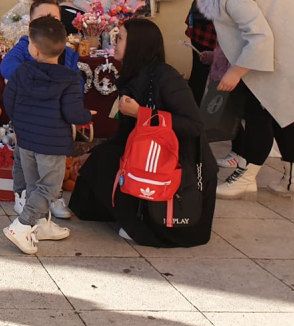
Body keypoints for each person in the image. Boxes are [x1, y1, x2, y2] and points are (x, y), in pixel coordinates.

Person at [183, 0, 294, 204]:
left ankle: (245, 178)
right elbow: (238, 38)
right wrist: (218, 59)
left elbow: (259, 38)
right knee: (282, 115)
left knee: (260, 116)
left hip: (278, 58)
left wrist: (234, 73)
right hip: (278, 58)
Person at [68, 19, 218, 247]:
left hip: (180, 162)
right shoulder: (132, 76)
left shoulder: (165, 76)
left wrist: (142, 114)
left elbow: (194, 126)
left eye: (119, 38)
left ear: (138, 44)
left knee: (109, 161)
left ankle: (146, 225)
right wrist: (92, 152)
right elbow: (125, 134)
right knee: (101, 159)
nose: (114, 42)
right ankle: (129, 215)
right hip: (151, 153)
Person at [2, 17, 92, 254]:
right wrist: (86, 115)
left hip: (26, 140)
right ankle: (22, 225)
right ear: (64, 48)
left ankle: (41, 225)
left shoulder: (21, 72)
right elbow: (72, 112)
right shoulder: (70, 78)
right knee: (49, 188)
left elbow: (8, 100)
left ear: (33, 48)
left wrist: (20, 124)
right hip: (52, 144)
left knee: (34, 185)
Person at [205, 0, 275, 168]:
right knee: (243, 96)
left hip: (209, 19)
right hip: (237, 25)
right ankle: (239, 152)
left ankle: (223, 142)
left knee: (212, 84)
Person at [1, 0, 80, 221]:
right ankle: (25, 197)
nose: (49, 22)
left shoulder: (68, 52)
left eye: (53, 17)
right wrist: (38, 78)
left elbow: (77, 83)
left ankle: (53, 197)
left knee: (52, 166)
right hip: (29, 117)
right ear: (30, 24)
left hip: (55, 121)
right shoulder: (26, 46)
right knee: (26, 162)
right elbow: (7, 67)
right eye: (42, 17)